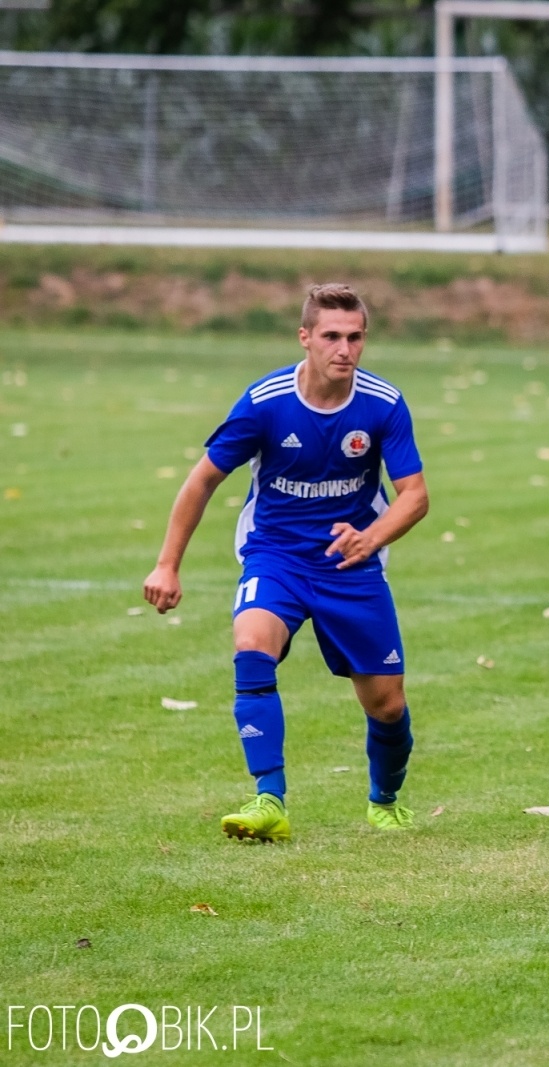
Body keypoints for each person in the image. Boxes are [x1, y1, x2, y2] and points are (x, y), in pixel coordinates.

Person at [142, 284, 428, 841]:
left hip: (351, 567)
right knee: (251, 643)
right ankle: (268, 798)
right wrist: (166, 564)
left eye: (354, 337)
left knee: (388, 707)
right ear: (306, 338)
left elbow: (414, 495)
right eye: (331, 337)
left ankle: (384, 799)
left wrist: (368, 539)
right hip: (275, 556)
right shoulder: (266, 402)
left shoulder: (383, 404)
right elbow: (202, 480)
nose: (344, 349)